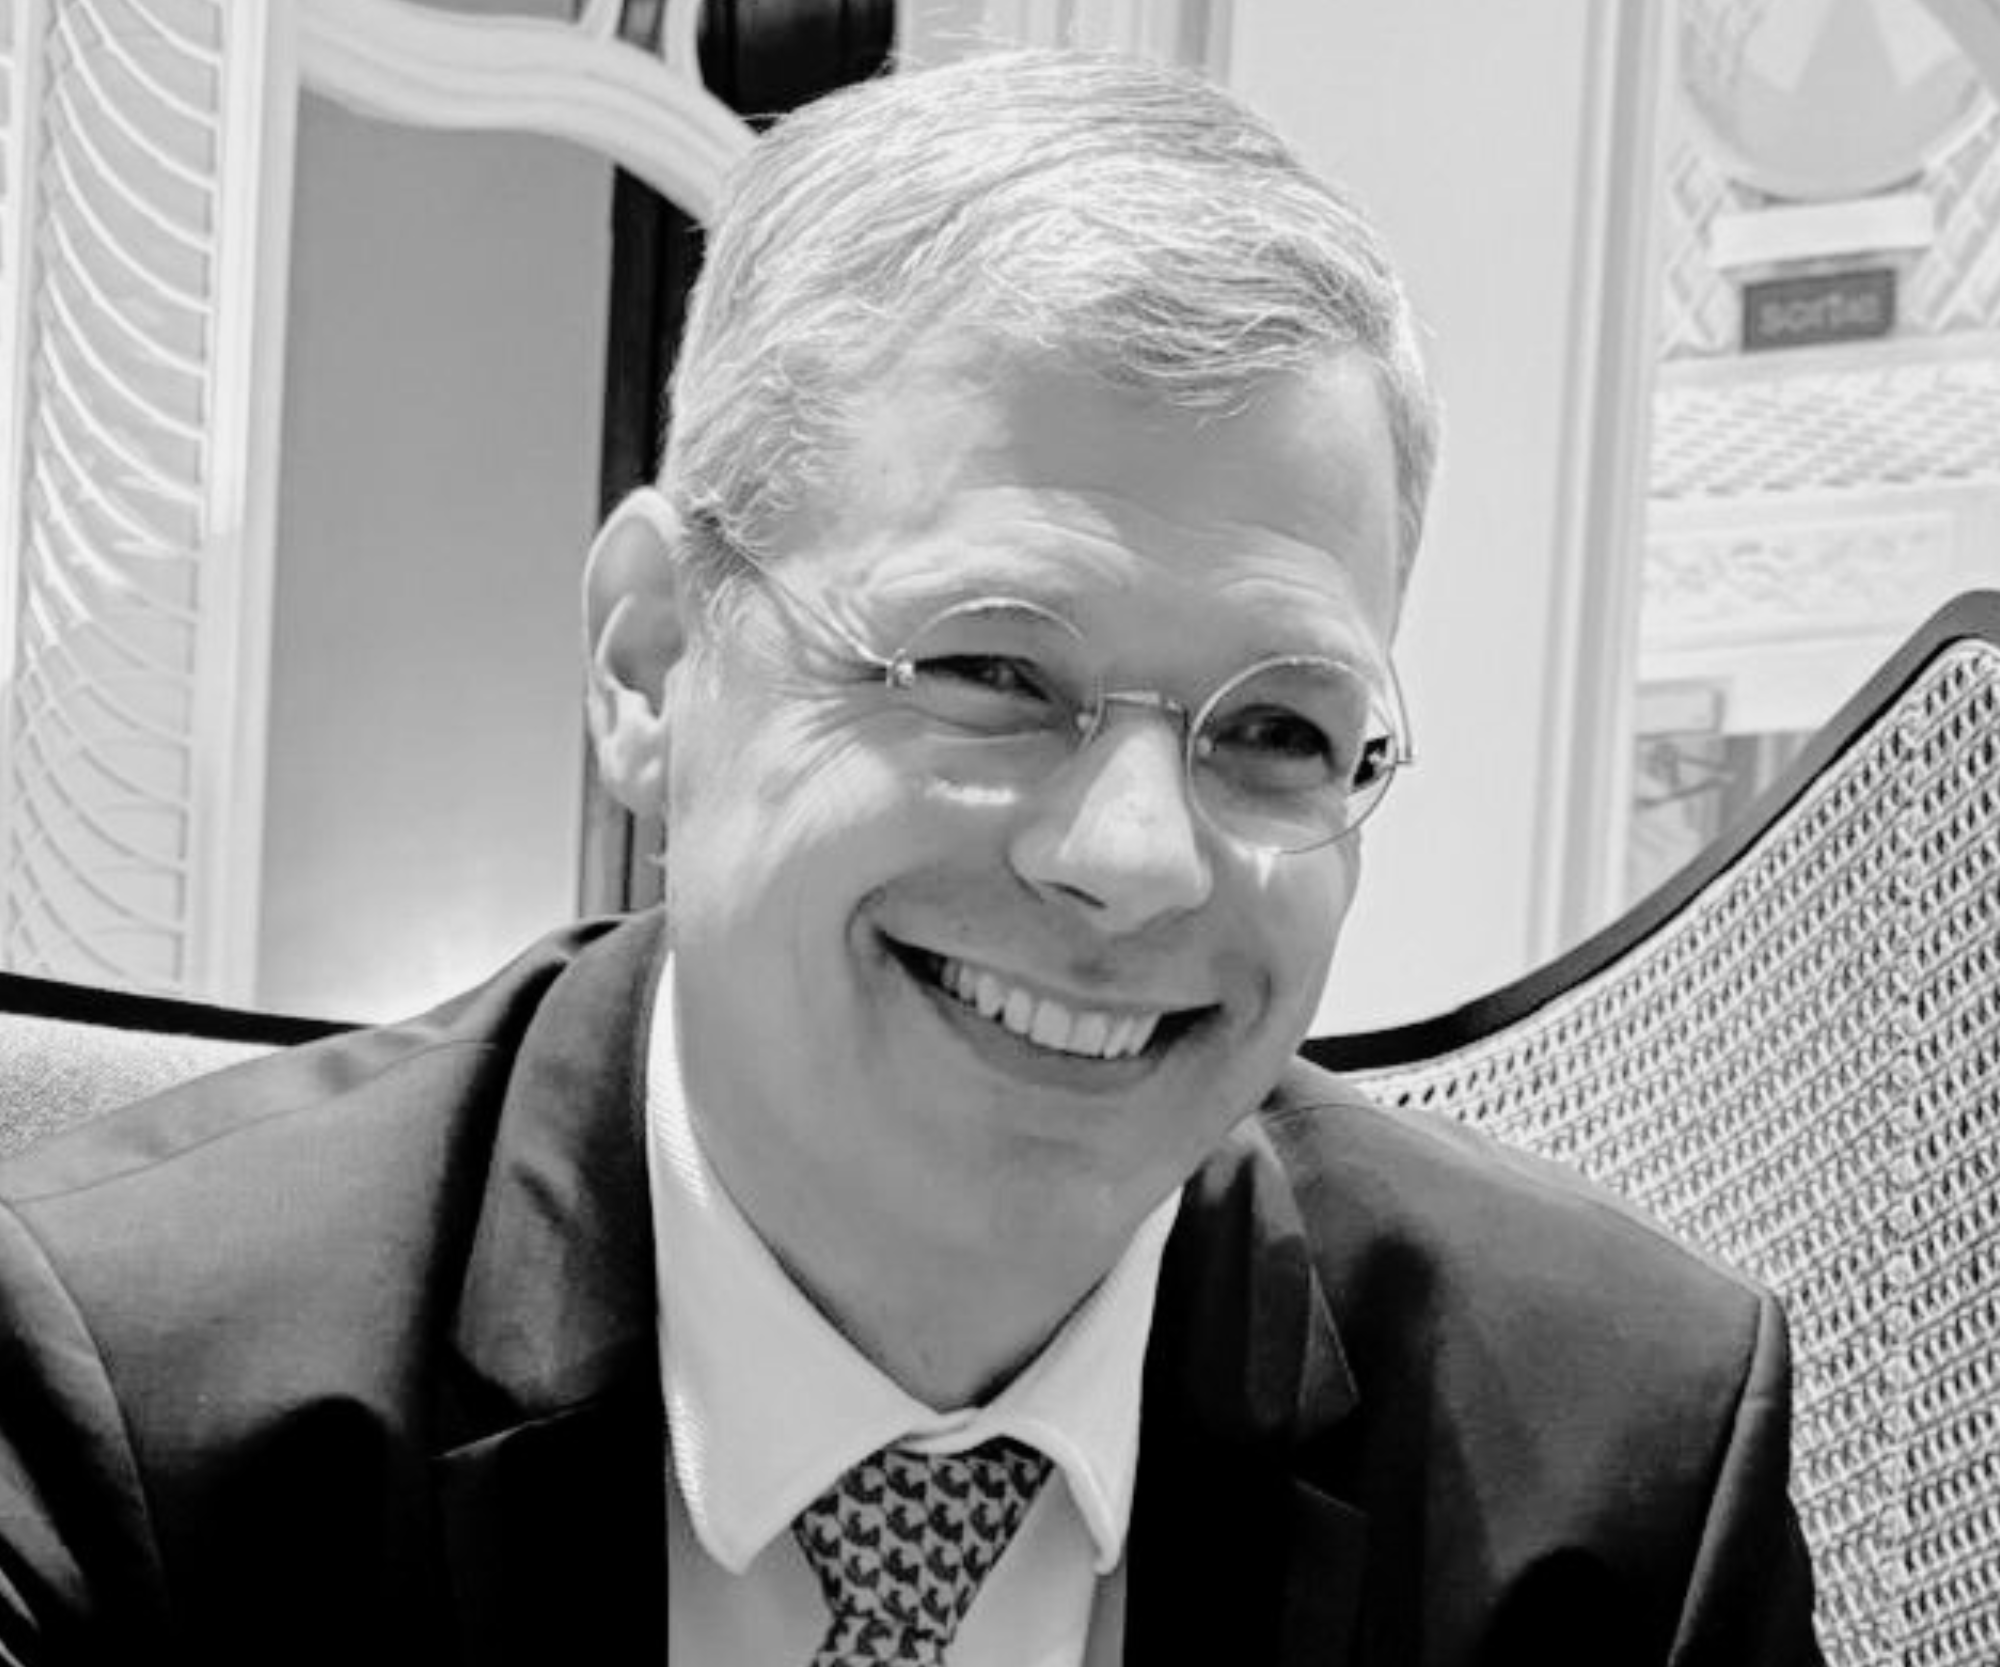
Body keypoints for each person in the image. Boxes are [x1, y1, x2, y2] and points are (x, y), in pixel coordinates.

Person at [0, 49, 1820, 1667]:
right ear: (652, 662)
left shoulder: (1617, 1467)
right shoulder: (120, 1400)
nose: (1134, 860)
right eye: (993, 673)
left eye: (1274, 729)